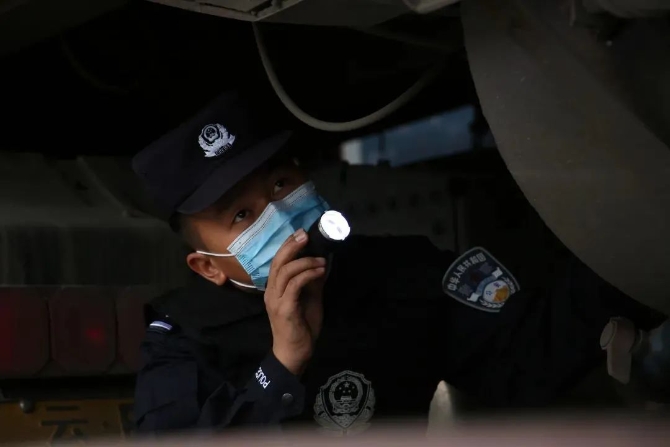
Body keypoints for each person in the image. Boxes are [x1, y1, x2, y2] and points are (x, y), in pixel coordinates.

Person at [131, 91, 665, 435]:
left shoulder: (400, 271)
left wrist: (642, 249)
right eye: (242, 214)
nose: (280, 214)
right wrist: (282, 365)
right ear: (208, 267)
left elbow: (532, 354)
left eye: (280, 183)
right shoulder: (182, 337)